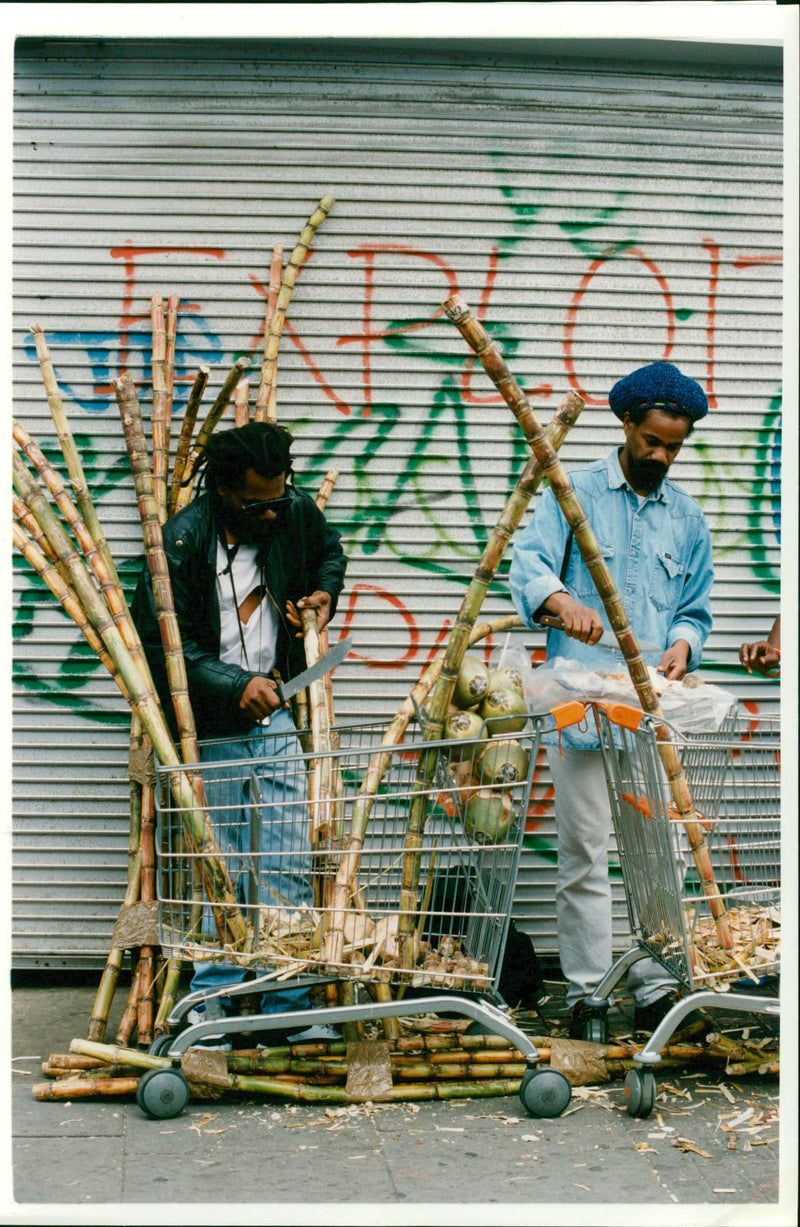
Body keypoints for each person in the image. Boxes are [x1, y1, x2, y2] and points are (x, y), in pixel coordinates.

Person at [509, 360, 714, 1036]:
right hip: (580, 704)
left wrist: (684, 643)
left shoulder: (686, 516)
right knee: (584, 852)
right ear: (626, 424)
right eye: (653, 441)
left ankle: (657, 988)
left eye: (674, 446)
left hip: (651, 708)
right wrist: (561, 600)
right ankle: (588, 995)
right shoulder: (573, 491)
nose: (662, 455)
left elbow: (694, 609)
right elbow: (529, 565)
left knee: (660, 856)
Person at [132, 420, 347, 1044]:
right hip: (209, 730)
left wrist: (323, 594)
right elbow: (161, 645)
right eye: (259, 502)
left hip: (277, 714)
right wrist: (233, 684)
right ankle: (214, 1001)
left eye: (281, 496)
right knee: (219, 866)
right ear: (224, 491)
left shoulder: (289, 510)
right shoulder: (181, 542)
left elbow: (329, 550)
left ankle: (288, 996)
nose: (274, 512)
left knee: (283, 859)